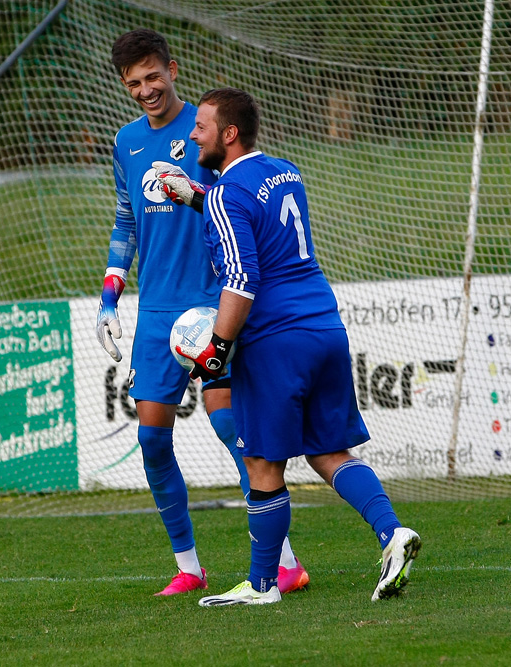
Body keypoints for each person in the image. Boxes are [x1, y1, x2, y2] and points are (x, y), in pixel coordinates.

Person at [165, 87, 421, 606]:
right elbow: (251, 214)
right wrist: (196, 195)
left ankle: (262, 586)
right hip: (324, 327)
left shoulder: (224, 194)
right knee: (328, 451)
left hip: (275, 339)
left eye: (202, 127)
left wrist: (216, 348)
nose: (193, 134)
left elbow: (242, 275)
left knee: (262, 464)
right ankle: (392, 533)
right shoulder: (286, 171)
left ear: (229, 134)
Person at [96, 30, 309, 597]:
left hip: (212, 299)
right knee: (150, 440)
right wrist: (110, 296)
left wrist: (189, 189)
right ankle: (189, 567)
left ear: (171, 68)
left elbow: (238, 198)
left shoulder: (208, 127)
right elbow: (125, 219)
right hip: (157, 307)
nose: (146, 90)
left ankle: (284, 562)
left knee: (228, 424)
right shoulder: (127, 141)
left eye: (153, 77)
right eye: (134, 82)